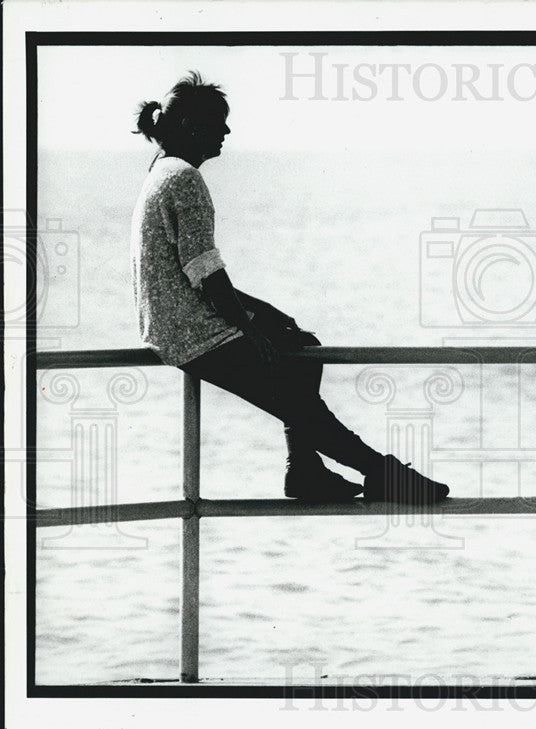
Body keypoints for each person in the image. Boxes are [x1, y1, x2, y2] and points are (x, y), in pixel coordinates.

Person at [130, 72, 449, 504]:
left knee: (301, 346)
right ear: (190, 127)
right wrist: (253, 332)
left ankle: (306, 471)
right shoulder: (185, 179)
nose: (226, 131)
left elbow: (196, 272)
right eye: (218, 122)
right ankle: (382, 473)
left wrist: (269, 316)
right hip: (193, 334)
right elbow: (205, 274)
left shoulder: (161, 172)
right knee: (298, 404)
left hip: (173, 325)